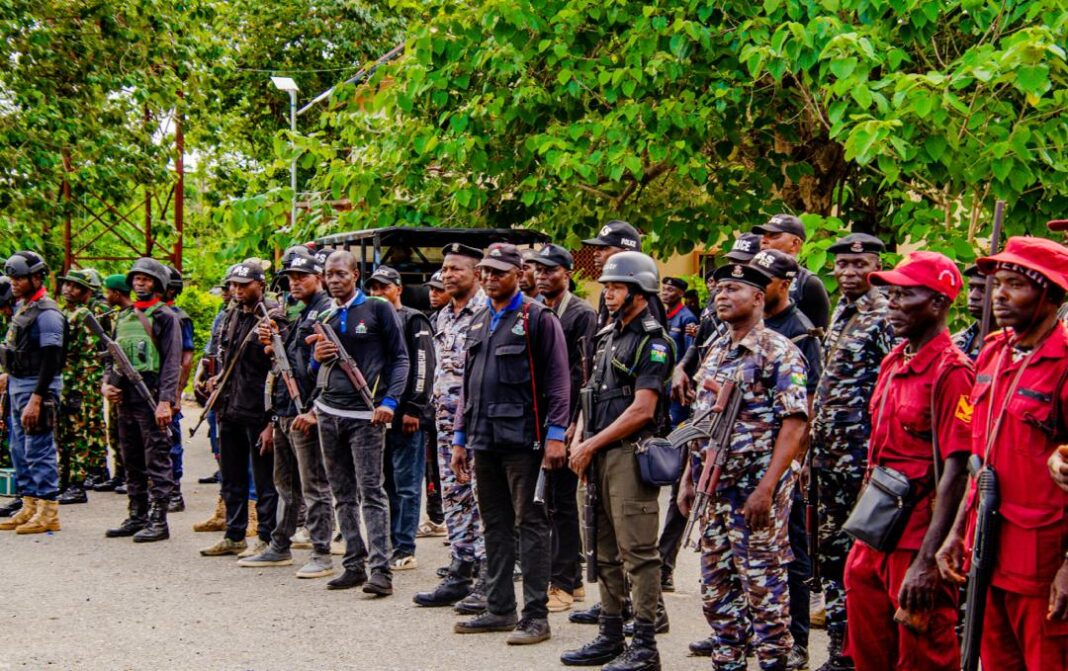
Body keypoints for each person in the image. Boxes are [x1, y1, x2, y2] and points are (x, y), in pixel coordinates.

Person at [936, 237, 1068, 670]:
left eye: (1015, 284)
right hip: (987, 547)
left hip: (1042, 561)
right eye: (998, 283)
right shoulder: (995, 348)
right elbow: (981, 459)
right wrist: (956, 532)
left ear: (1049, 292)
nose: (1000, 295)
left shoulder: (1064, 359)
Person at [843, 252, 974, 671]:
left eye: (905, 295)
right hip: (875, 528)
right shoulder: (894, 360)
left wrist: (927, 561)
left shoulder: (953, 372)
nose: (891, 304)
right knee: (868, 650)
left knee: (922, 655)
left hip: (918, 536)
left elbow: (956, 471)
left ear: (937, 303)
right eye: (890, 294)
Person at [677, 260, 808, 671]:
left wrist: (766, 488)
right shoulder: (717, 348)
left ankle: (774, 664)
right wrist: (688, 479)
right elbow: (701, 422)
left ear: (757, 297)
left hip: (754, 493)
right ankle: (727, 662)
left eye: (734, 289)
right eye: (719, 290)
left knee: (764, 591)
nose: (722, 296)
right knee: (717, 592)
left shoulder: (780, 352)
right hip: (713, 490)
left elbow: (795, 425)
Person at [448, 243, 569, 645]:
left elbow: (559, 380)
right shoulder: (480, 320)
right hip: (484, 440)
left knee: (530, 525)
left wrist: (556, 435)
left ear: (520, 274)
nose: (489, 278)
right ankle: (500, 608)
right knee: (494, 525)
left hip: (526, 442)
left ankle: (536, 616)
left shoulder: (537, 317)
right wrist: (460, 439)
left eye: (499, 272)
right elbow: (467, 384)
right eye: (485, 271)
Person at [560, 251, 673, 670]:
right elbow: (590, 393)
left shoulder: (653, 340)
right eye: (606, 286)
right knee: (602, 550)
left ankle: (644, 645)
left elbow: (642, 409)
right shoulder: (607, 335)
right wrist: (577, 435)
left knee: (638, 553)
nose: (607, 294)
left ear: (640, 292)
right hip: (595, 453)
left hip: (629, 454)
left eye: (617, 287)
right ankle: (610, 633)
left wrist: (590, 445)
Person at [810, 232, 894, 671]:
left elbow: (892, 387)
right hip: (828, 457)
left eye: (860, 265)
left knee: (860, 558)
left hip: (862, 460)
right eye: (842, 264)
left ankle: (858, 652)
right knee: (832, 555)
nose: (849, 272)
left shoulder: (885, 315)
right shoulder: (842, 309)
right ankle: (839, 650)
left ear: (876, 266)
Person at [308, 250, 409, 596]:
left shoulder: (378, 308)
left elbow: (400, 359)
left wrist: (390, 402)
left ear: (355, 275)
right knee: (341, 493)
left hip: (366, 416)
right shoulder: (325, 314)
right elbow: (313, 369)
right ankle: (353, 562)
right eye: (329, 274)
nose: (334, 280)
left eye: (341, 273)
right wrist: (316, 358)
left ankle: (380, 570)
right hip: (328, 411)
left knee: (372, 493)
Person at [237, 247, 336, 579]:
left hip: (306, 410)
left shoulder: (326, 313)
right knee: (286, 485)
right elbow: (285, 365)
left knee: (314, 486)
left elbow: (325, 370)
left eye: (301, 277)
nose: (294, 283)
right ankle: (279, 545)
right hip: (284, 409)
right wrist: (273, 343)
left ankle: (322, 552)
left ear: (318, 278)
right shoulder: (300, 313)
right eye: (291, 278)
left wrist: (314, 410)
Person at [750, 249, 824, 669]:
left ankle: (795, 641)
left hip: (782, 465)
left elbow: (806, 407)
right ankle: (747, 630)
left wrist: (792, 467)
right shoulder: (752, 323)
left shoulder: (799, 331)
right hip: (746, 460)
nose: (757, 286)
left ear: (785, 283)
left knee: (788, 553)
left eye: (765, 279)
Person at [414, 244, 489, 609]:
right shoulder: (443, 316)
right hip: (444, 426)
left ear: (476, 272)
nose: (448, 275)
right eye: (445, 269)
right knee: (454, 498)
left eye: (456, 268)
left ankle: (489, 577)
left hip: (478, 427)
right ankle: (461, 569)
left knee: (484, 500)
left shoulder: (488, 312)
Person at [529, 243, 597, 613]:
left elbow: (579, 375)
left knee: (561, 503)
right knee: (550, 502)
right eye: (538, 270)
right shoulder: (537, 311)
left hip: (567, 422)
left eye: (550, 270)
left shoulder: (581, 315)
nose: (543, 276)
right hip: (538, 420)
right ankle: (569, 576)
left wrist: (571, 425)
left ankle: (564, 583)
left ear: (567, 273)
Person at [199, 260, 279, 558]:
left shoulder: (274, 316)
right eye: (233, 285)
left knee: (263, 481)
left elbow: (279, 369)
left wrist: (272, 419)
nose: (237, 290)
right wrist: (214, 380)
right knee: (231, 476)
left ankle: (266, 538)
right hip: (228, 406)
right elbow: (225, 357)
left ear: (260, 284)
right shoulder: (229, 315)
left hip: (258, 409)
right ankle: (234, 535)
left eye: (243, 285)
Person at [101, 257, 182, 543]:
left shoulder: (165, 317)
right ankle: (137, 514)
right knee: (130, 457)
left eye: (146, 279)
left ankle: (159, 519)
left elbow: (173, 362)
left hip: (152, 394)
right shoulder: (123, 317)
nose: (139, 283)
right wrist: (107, 385)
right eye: (136, 278)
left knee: (156, 458)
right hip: (125, 395)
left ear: (157, 284)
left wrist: (166, 401)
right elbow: (113, 356)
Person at [365, 265, 436, 571]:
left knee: (407, 484)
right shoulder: (369, 320)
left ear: (398, 289)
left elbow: (423, 364)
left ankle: (405, 547)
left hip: (407, 414)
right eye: (373, 288)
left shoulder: (413, 318)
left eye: (383, 287)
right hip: (378, 415)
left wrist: (415, 408)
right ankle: (390, 543)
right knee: (386, 484)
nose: (377, 293)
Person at [0, 251, 66, 534]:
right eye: (12, 277)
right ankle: (29, 505)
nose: (13, 282)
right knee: (18, 447)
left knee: (38, 448)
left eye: (19, 277)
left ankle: (48, 510)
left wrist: (38, 398)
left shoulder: (48, 313)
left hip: (37, 386)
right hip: (17, 382)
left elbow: (52, 357)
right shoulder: (23, 308)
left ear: (36, 278)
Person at [55, 268, 109, 505]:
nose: (69, 289)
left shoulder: (85, 314)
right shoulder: (66, 312)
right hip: (65, 381)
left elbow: (86, 353)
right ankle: (65, 479)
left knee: (79, 431)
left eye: (75, 287)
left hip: (81, 382)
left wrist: (78, 385)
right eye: (67, 285)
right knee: (64, 432)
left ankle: (77, 482)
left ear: (86, 292)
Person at [583, 220, 667, 328]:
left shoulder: (642, 295)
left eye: (604, 248)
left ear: (626, 252)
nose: (595, 253)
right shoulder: (607, 293)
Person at [755, 214, 831, 330]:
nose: (764, 240)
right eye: (764, 235)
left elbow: (817, 339)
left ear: (795, 243)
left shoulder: (808, 283)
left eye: (774, 236)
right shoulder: (751, 275)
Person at [94, 274, 134, 493]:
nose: (106, 295)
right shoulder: (119, 316)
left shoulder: (133, 316)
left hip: (131, 384)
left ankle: (130, 475)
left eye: (109, 291)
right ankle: (120, 474)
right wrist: (107, 381)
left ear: (117, 293)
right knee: (116, 431)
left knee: (129, 435)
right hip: (117, 381)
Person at [418, 270, 448, 538]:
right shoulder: (432, 319)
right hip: (432, 406)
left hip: (452, 408)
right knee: (432, 465)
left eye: (439, 289)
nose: (433, 293)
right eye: (432, 289)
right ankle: (436, 515)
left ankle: (445, 517)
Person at [163, 266, 195, 513]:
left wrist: (176, 393)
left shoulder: (178, 317)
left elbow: (186, 358)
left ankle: (174, 491)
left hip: (168, 388)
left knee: (169, 440)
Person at [952, 265, 986, 361]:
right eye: (971, 288)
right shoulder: (956, 342)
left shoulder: (1011, 348)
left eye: (983, 289)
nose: (972, 296)